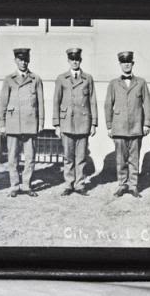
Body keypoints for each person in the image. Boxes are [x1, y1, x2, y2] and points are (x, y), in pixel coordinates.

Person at [103, 51, 150, 198]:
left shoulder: (141, 82)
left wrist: (147, 124)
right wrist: (109, 126)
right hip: (118, 128)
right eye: (123, 62)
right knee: (120, 159)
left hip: (136, 127)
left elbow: (148, 104)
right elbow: (107, 105)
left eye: (129, 62)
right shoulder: (113, 83)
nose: (126, 65)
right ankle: (122, 184)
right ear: (120, 64)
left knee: (134, 158)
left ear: (132, 64)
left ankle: (133, 185)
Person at [0, 48, 44, 198]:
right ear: (15, 61)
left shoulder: (35, 79)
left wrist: (41, 123)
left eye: (25, 60)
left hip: (30, 123)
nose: (23, 62)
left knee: (30, 157)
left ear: (29, 60)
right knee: (13, 157)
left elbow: (40, 102)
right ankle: (14, 185)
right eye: (20, 60)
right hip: (13, 124)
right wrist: (2, 123)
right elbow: (3, 103)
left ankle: (26, 185)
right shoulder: (9, 79)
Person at [53, 48, 98, 196]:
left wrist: (93, 124)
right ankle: (68, 184)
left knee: (81, 156)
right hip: (66, 123)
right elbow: (56, 102)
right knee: (68, 156)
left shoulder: (88, 78)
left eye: (77, 59)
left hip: (83, 122)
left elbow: (92, 101)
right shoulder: (61, 78)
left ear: (80, 60)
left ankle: (79, 184)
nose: (75, 62)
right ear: (68, 61)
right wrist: (57, 124)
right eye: (72, 59)